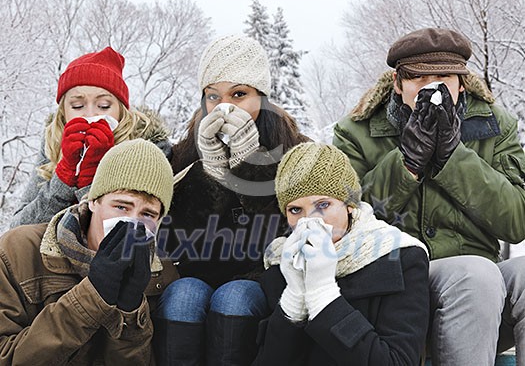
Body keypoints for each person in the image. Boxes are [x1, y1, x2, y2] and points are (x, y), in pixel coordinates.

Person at [333, 27, 525, 365]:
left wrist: (455, 158)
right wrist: (406, 162)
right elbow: (343, 219)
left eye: (443, 78)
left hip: (481, 294)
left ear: (462, 83)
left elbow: (517, 221)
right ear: (397, 83)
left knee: (498, 275)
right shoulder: (355, 132)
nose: (431, 89)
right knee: (476, 275)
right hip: (396, 285)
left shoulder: (495, 125)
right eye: (418, 80)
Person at [154, 34, 309, 365]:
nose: (224, 107)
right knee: (183, 297)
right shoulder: (183, 153)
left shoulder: (295, 149)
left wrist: (249, 166)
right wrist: (209, 172)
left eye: (239, 94)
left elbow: (289, 227)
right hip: (195, 272)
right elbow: (173, 234)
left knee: (234, 298)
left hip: (263, 275)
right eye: (213, 96)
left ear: (261, 97)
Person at [0, 138, 177, 364]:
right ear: (93, 201)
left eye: (148, 215)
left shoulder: (161, 276)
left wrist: (130, 313)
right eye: (121, 206)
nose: (132, 223)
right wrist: (91, 296)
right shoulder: (19, 251)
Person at [253, 142, 429, 365]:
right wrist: (294, 299)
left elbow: (398, 361)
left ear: (349, 204)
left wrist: (323, 295)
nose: (310, 220)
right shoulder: (282, 264)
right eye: (295, 210)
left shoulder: (401, 256)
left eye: (323, 204)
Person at [11, 46, 172, 228]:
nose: (90, 114)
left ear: (121, 111)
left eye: (103, 106)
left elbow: (124, 233)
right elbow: (19, 228)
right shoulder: (53, 141)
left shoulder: (150, 147)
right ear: (64, 113)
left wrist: (91, 180)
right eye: (78, 106)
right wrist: (63, 181)